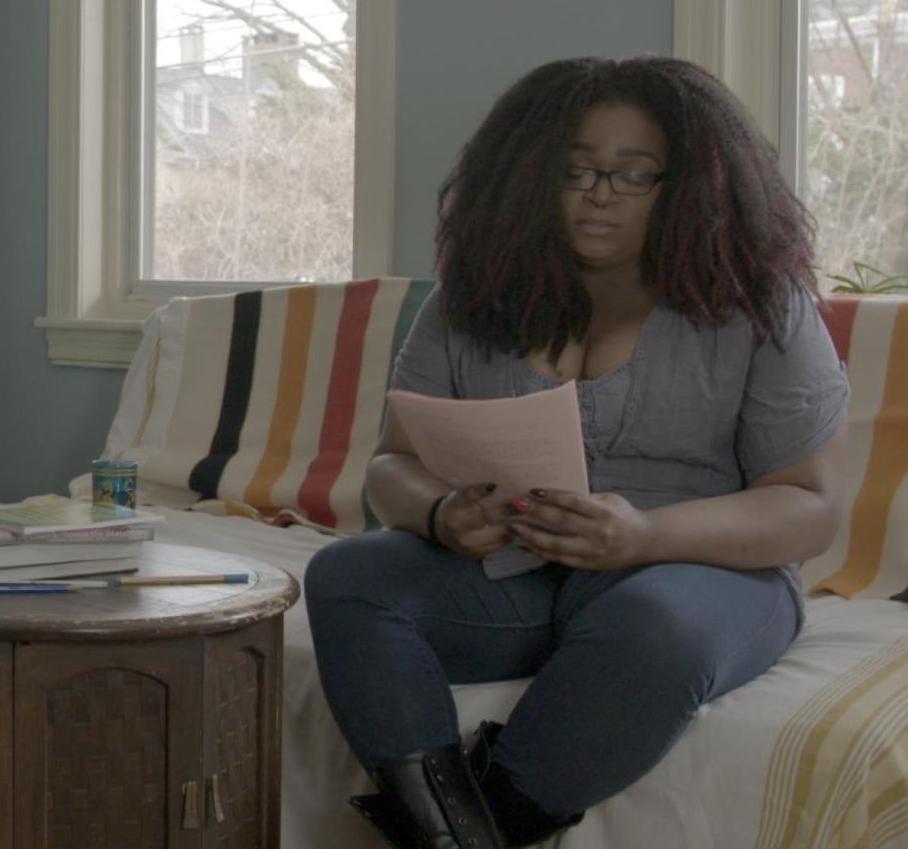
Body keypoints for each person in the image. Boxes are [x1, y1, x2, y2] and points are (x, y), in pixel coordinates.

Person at [304, 56, 849, 849]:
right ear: (525, 175)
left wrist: (646, 538)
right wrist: (440, 512)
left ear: (694, 186)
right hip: (514, 576)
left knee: (651, 622)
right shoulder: (471, 299)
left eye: (636, 175)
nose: (600, 193)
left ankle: (463, 827)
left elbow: (810, 507)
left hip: (702, 573)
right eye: (577, 170)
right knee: (348, 574)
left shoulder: (763, 309)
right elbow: (392, 467)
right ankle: (455, 835)